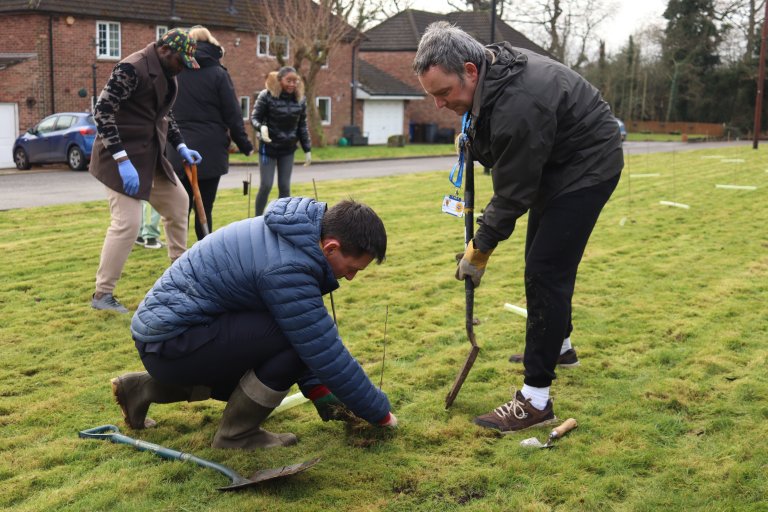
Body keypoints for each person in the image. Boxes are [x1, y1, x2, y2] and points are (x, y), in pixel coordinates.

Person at [413, 22, 623, 432]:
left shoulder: (519, 103)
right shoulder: (493, 74)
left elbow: (512, 194)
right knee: (544, 262)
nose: (439, 105)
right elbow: (501, 145)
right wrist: (472, 139)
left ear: (470, 71)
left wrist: (479, 248)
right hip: (555, 163)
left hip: (587, 166)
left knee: (545, 270)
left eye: (444, 93)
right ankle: (559, 346)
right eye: (433, 95)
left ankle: (535, 400)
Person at [110, 197, 398, 450]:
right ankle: (236, 436)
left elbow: (301, 331)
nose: (350, 278)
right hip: (173, 342)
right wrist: (380, 413)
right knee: (287, 343)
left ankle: (140, 389)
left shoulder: (296, 234)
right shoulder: (288, 267)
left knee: (284, 340)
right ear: (331, 247)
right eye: (351, 269)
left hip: (170, 337)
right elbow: (321, 348)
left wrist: (319, 390)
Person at [89, 28, 203, 313]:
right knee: (127, 223)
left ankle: (181, 278)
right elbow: (102, 112)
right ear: (165, 50)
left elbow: (164, 114)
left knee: (179, 204)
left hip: (150, 157)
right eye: (181, 62)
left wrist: (180, 147)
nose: (182, 69)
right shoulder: (131, 68)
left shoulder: (168, 73)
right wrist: (121, 159)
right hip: (120, 160)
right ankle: (103, 295)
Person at [168, 26, 254, 241]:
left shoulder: (175, 71)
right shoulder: (218, 73)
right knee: (204, 206)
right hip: (209, 149)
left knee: (181, 208)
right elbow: (233, 113)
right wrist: (245, 145)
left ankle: (179, 257)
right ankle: (203, 253)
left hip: (176, 147)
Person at [251, 66, 312, 216]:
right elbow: (254, 118)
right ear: (280, 80)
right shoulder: (266, 96)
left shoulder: (300, 100)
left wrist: (307, 149)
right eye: (288, 80)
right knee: (266, 185)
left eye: (295, 81)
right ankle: (257, 219)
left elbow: (302, 126)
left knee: (284, 187)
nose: (292, 84)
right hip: (268, 148)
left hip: (288, 149)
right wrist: (261, 127)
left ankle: (281, 219)